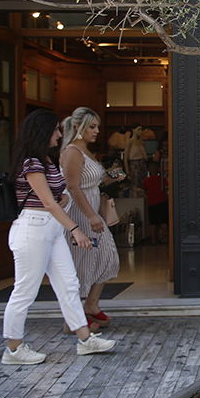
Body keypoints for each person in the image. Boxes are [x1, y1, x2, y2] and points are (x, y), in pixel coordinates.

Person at [2, 109, 116, 365]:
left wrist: (62, 199)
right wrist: (75, 228)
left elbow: (57, 198)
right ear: (42, 132)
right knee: (25, 291)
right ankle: (13, 348)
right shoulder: (31, 162)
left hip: (51, 229)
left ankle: (85, 339)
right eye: (54, 129)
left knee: (69, 286)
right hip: (34, 229)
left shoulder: (45, 160)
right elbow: (47, 203)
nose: (58, 134)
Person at [60, 107, 124, 329]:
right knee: (82, 263)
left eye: (97, 126)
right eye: (92, 127)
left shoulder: (85, 151)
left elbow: (96, 179)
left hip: (92, 212)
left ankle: (91, 306)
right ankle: (74, 318)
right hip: (80, 213)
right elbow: (72, 187)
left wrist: (115, 175)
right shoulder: (71, 152)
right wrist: (89, 215)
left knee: (107, 257)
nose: (97, 131)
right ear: (78, 127)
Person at [143, 160, 169, 245]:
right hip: (162, 201)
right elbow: (166, 190)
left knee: (153, 222)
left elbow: (145, 191)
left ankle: (153, 240)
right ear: (158, 169)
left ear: (148, 170)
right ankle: (164, 238)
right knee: (163, 221)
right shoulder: (162, 179)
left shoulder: (146, 180)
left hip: (151, 203)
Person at [123, 123, 148, 189]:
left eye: (141, 129)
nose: (140, 131)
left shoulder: (141, 142)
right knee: (135, 185)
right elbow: (125, 158)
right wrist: (127, 173)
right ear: (133, 130)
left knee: (143, 185)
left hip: (143, 164)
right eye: (138, 129)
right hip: (134, 165)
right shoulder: (129, 141)